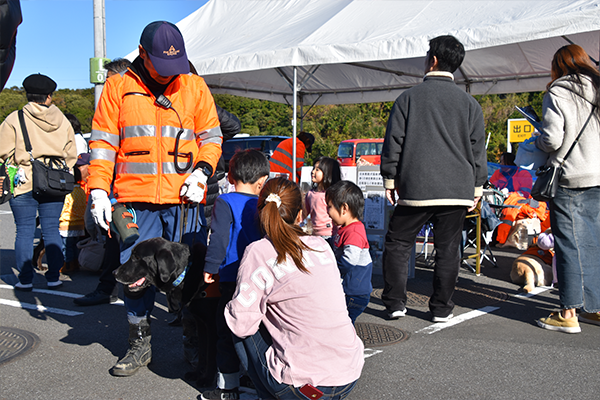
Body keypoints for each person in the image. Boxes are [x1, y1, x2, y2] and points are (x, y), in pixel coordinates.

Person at [86, 21, 222, 376]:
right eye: (162, 66)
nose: (169, 76)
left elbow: (212, 136)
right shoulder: (118, 88)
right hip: (136, 198)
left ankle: (194, 341)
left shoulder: (193, 85)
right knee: (135, 274)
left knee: (190, 274)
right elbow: (101, 145)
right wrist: (98, 189)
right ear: (142, 54)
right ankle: (139, 343)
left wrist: (202, 171)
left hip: (184, 199)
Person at [225, 177, 364, 400]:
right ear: (300, 214)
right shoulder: (320, 246)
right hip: (348, 375)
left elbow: (241, 325)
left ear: (261, 214)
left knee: (239, 318)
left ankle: (268, 395)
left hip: (302, 387)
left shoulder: (259, 251)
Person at [380, 35, 487, 322]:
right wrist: (478, 186)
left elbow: (394, 142)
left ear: (433, 60)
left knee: (398, 243)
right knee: (448, 249)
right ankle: (441, 308)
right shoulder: (469, 104)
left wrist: (390, 179)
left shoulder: (408, 99)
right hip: (457, 187)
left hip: (416, 185)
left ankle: (394, 303)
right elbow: (478, 149)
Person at [534, 44, 600, 333]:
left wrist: (536, 141)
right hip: (597, 176)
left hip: (570, 177)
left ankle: (568, 313)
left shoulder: (558, 91)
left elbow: (551, 139)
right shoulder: (598, 88)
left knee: (568, 245)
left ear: (558, 65)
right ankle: (594, 308)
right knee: (593, 244)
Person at [201, 149, 270, 400]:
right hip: (262, 276)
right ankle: (258, 380)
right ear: (261, 181)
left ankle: (227, 388)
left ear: (230, 177)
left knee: (227, 331)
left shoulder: (225, 202)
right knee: (257, 330)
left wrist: (210, 267)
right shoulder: (263, 204)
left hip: (232, 275)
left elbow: (219, 239)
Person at [0, 73, 77, 290]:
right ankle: (53, 277)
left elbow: (2, 151)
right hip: (55, 181)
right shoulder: (62, 120)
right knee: (51, 229)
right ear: (49, 96)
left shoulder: (15, 119)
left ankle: (25, 280)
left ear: (27, 95)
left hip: (24, 179)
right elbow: (71, 154)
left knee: (24, 230)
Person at [73, 58, 133, 307]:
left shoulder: (134, 107)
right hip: (115, 187)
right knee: (113, 240)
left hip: (135, 187)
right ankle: (108, 287)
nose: (106, 87)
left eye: (109, 81)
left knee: (127, 242)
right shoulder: (112, 110)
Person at [326, 180, 373, 324]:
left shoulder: (354, 231)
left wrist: (331, 271)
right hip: (350, 290)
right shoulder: (345, 228)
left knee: (343, 324)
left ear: (344, 208)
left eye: (329, 207)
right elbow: (334, 243)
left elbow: (349, 261)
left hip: (354, 293)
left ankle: (348, 346)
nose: (328, 213)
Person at [58, 153, 90, 274]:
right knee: (75, 246)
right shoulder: (81, 191)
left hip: (67, 223)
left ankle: (67, 265)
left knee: (66, 247)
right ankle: (75, 263)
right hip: (79, 223)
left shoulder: (68, 192)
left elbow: (65, 207)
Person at [304, 156, 341, 242]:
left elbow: (338, 215)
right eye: (313, 168)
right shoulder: (310, 194)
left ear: (328, 173)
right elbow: (304, 213)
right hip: (315, 234)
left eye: (317, 170)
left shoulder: (331, 194)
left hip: (330, 234)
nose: (313, 172)